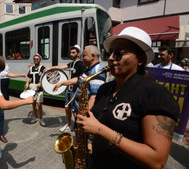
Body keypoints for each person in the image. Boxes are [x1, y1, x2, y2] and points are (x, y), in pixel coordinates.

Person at [76, 26, 179, 169]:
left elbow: (157, 161)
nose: (111, 58)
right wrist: (90, 141)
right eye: (110, 53)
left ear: (141, 59)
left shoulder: (155, 94)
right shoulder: (104, 89)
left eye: (119, 53)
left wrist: (100, 130)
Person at [53, 45, 106, 114]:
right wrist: (62, 83)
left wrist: (84, 115)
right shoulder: (88, 69)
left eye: (84, 56)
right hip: (80, 107)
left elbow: (94, 96)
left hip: (85, 113)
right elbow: (78, 79)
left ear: (93, 56)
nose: (82, 58)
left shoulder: (97, 71)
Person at [45, 45, 86, 132]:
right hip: (70, 89)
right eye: (70, 53)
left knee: (75, 110)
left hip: (76, 90)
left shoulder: (81, 64)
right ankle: (68, 124)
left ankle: (78, 128)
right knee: (67, 107)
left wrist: (63, 83)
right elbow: (61, 67)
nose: (71, 54)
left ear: (78, 53)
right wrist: (50, 68)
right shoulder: (72, 63)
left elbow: (81, 79)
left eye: (73, 53)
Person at [24, 54, 46, 126]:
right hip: (32, 88)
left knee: (39, 104)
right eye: (34, 59)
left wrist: (41, 83)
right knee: (33, 103)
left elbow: (46, 77)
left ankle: (41, 118)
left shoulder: (43, 68)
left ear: (40, 60)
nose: (36, 60)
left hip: (39, 88)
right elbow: (29, 77)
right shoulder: (31, 68)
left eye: (37, 59)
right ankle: (35, 117)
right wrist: (27, 83)